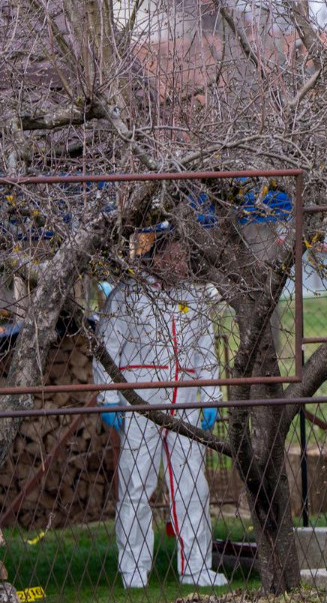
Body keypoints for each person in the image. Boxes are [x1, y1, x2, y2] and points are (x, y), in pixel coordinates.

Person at [95, 226, 228, 589]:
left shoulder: (195, 298)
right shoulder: (127, 296)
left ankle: (197, 567)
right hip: (139, 405)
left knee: (193, 486)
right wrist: (107, 398)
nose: (184, 262)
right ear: (158, 254)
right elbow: (107, 347)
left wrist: (212, 397)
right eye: (177, 254)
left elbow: (205, 352)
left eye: (185, 254)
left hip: (184, 404)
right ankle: (133, 570)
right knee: (136, 485)